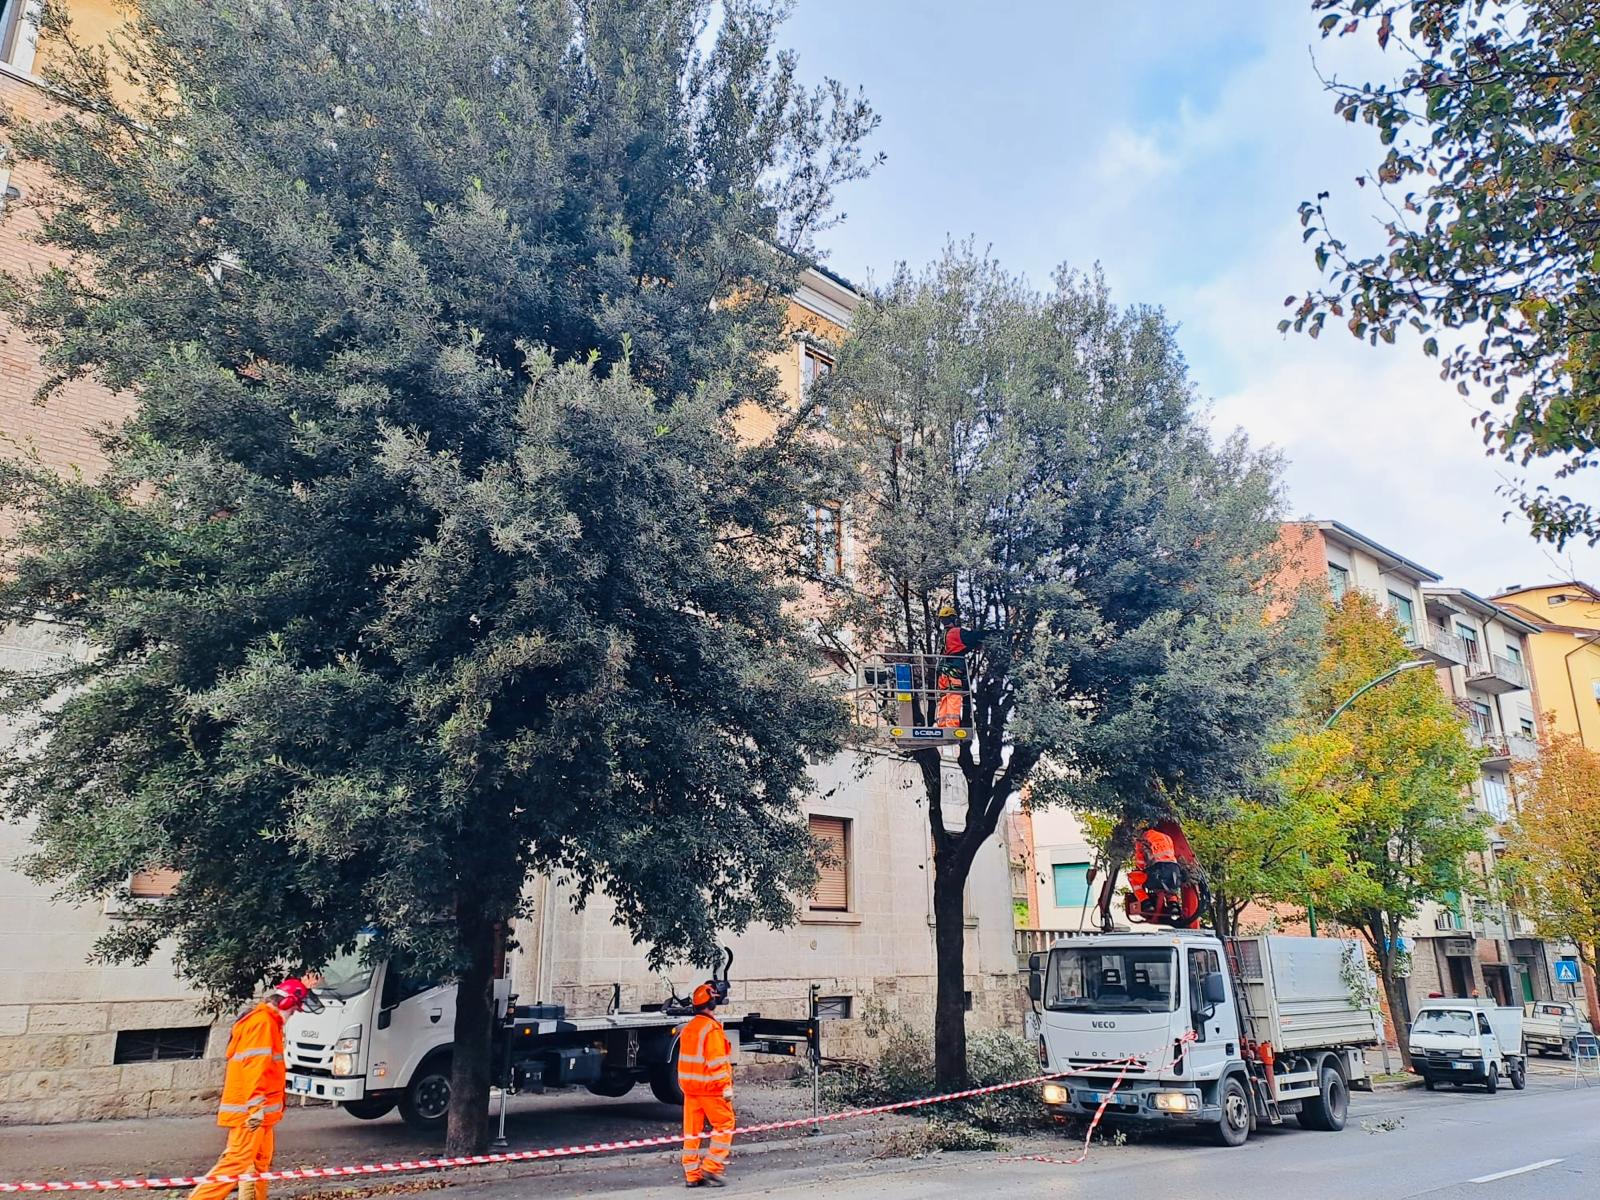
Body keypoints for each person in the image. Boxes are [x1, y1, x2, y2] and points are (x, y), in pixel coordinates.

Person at [189, 978, 323, 1200]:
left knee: (258, 1165)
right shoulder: (263, 1024)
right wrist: (256, 1108)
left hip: (260, 1115)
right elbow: (255, 1068)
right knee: (236, 1163)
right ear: (286, 1003)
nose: (295, 1014)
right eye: (295, 1009)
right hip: (251, 1114)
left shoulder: (267, 1023)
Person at [679, 981, 734, 1189]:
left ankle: (692, 1174)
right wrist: (725, 1087)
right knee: (725, 1124)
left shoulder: (689, 1028)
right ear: (712, 1003)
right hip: (710, 1090)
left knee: (691, 1132)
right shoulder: (711, 1030)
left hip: (690, 1089)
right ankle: (712, 1167)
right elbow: (717, 1062)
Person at [934, 605, 976, 729]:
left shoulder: (943, 635)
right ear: (953, 619)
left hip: (943, 671)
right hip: (954, 671)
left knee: (944, 697)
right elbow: (970, 638)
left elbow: (955, 648)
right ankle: (952, 725)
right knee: (954, 696)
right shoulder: (956, 632)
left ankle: (942, 724)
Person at [1140, 827, 1182, 898]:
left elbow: (1140, 862)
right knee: (1169, 886)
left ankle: (1145, 902)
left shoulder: (1144, 838)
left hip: (1159, 870)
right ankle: (1173, 903)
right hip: (1174, 870)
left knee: (1135, 877)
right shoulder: (1167, 837)